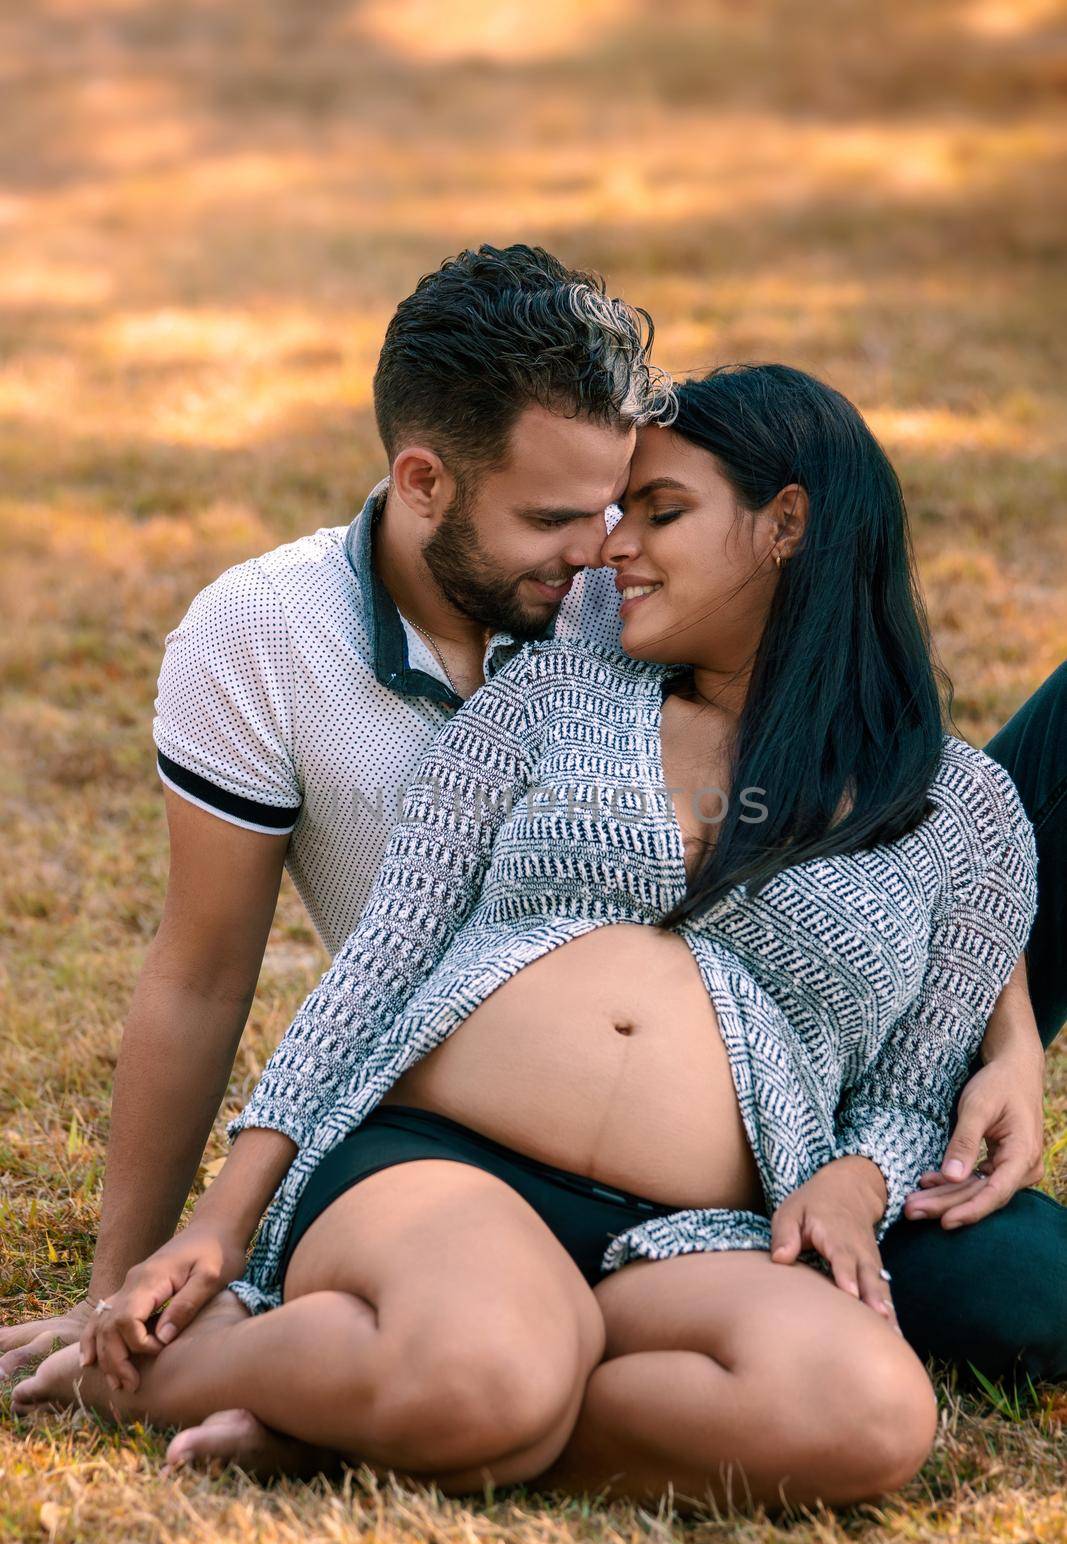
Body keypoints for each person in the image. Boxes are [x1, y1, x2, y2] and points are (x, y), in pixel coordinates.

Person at [1, 243, 1064, 1394]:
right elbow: (212, 972)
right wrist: (130, 1274)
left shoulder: (645, 584)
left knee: (1021, 1294)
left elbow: (893, 790)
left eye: (625, 506)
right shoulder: (267, 637)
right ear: (423, 483)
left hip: (800, 1066)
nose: (602, 548)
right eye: (562, 516)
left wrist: (1002, 1038)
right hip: (468, 1102)